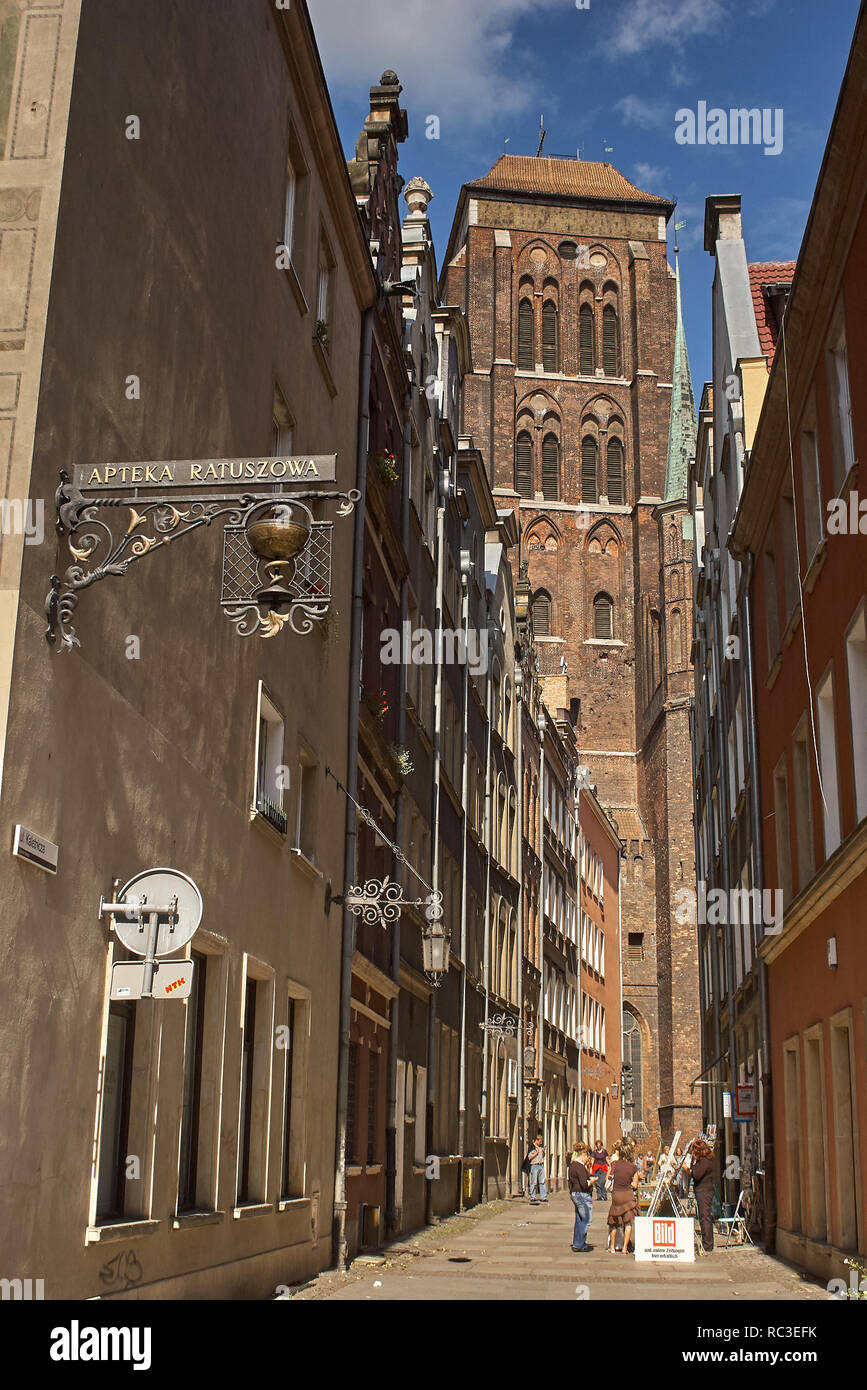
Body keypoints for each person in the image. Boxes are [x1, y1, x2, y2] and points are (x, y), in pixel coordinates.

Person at [607, 1137, 640, 1254]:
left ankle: (612, 1247)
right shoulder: (633, 1167)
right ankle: (625, 1248)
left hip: (616, 1194)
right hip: (627, 1195)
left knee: (614, 1222)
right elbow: (635, 1185)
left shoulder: (615, 1165)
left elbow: (608, 1178)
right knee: (628, 1222)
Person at [691, 1138, 716, 1253]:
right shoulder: (706, 1160)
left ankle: (708, 1244)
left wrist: (689, 1169)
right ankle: (707, 1242)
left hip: (704, 1191)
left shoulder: (704, 1161)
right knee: (704, 1216)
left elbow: (697, 1175)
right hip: (705, 1190)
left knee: (705, 1216)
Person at [568, 1143, 594, 1251]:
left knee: (579, 1219)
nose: (588, 1160)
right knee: (587, 1219)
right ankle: (579, 1244)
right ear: (583, 1155)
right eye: (587, 1157)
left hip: (575, 1193)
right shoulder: (579, 1166)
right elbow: (584, 1184)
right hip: (581, 1194)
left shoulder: (572, 1165)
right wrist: (591, 1181)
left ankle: (578, 1243)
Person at [527, 1132, 547, 1205]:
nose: (541, 1143)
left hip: (541, 1165)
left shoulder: (540, 1147)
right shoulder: (532, 1147)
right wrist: (536, 1153)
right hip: (534, 1166)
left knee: (542, 1181)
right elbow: (530, 1157)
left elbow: (543, 1156)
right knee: (534, 1182)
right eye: (540, 1141)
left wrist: (543, 1152)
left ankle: (543, 1197)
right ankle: (533, 1197)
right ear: (537, 1140)